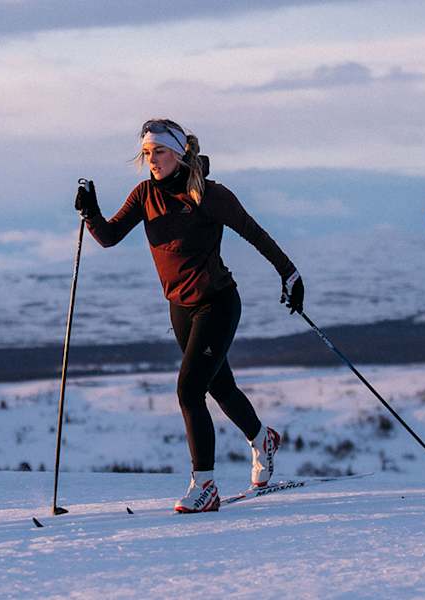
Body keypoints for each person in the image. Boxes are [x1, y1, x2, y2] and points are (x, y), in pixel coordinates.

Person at [74, 118, 303, 513]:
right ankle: (263, 438)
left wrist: (290, 274)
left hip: (218, 304)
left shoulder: (210, 196)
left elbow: (255, 232)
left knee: (188, 390)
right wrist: (91, 210)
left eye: (159, 152)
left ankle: (205, 485)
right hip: (180, 308)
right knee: (219, 387)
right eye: (146, 153)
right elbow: (109, 237)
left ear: (179, 154)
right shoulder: (144, 194)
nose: (152, 161)